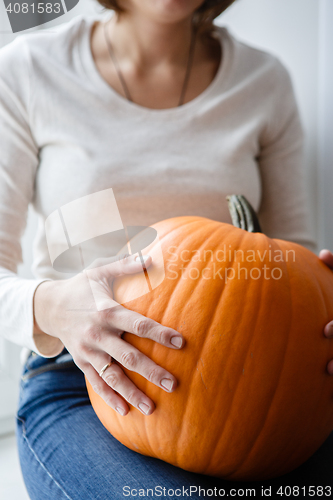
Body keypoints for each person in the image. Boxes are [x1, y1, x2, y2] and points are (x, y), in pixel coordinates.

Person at [0, 0, 333, 498]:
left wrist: (323, 302)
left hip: (258, 385)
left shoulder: (263, 81)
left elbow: (292, 258)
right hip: (82, 374)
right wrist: (54, 306)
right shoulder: (29, 68)